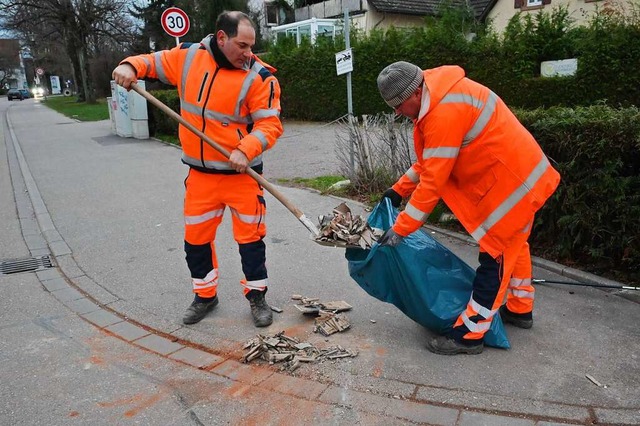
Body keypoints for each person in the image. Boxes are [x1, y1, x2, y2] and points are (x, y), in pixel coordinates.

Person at [112, 11, 283, 327]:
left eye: (251, 46)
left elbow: (270, 124)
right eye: (242, 45)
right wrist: (129, 65)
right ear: (221, 38)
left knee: (250, 240)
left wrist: (246, 150)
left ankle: (257, 296)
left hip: (241, 177)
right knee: (196, 240)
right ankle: (205, 296)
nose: (248, 53)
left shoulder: (259, 77)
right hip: (201, 177)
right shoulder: (189, 58)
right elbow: (151, 62)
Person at [376, 61, 560, 355]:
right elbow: (430, 160)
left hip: (513, 185)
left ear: (415, 91)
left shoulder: (443, 113)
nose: (397, 112)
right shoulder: (437, 96)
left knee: (496, 256)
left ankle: (470, 335)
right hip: (518, 177)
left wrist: (401, 229)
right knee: (515, 244)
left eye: (398, 105)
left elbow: (433, 180)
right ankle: (520, 308)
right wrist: (398, 190)